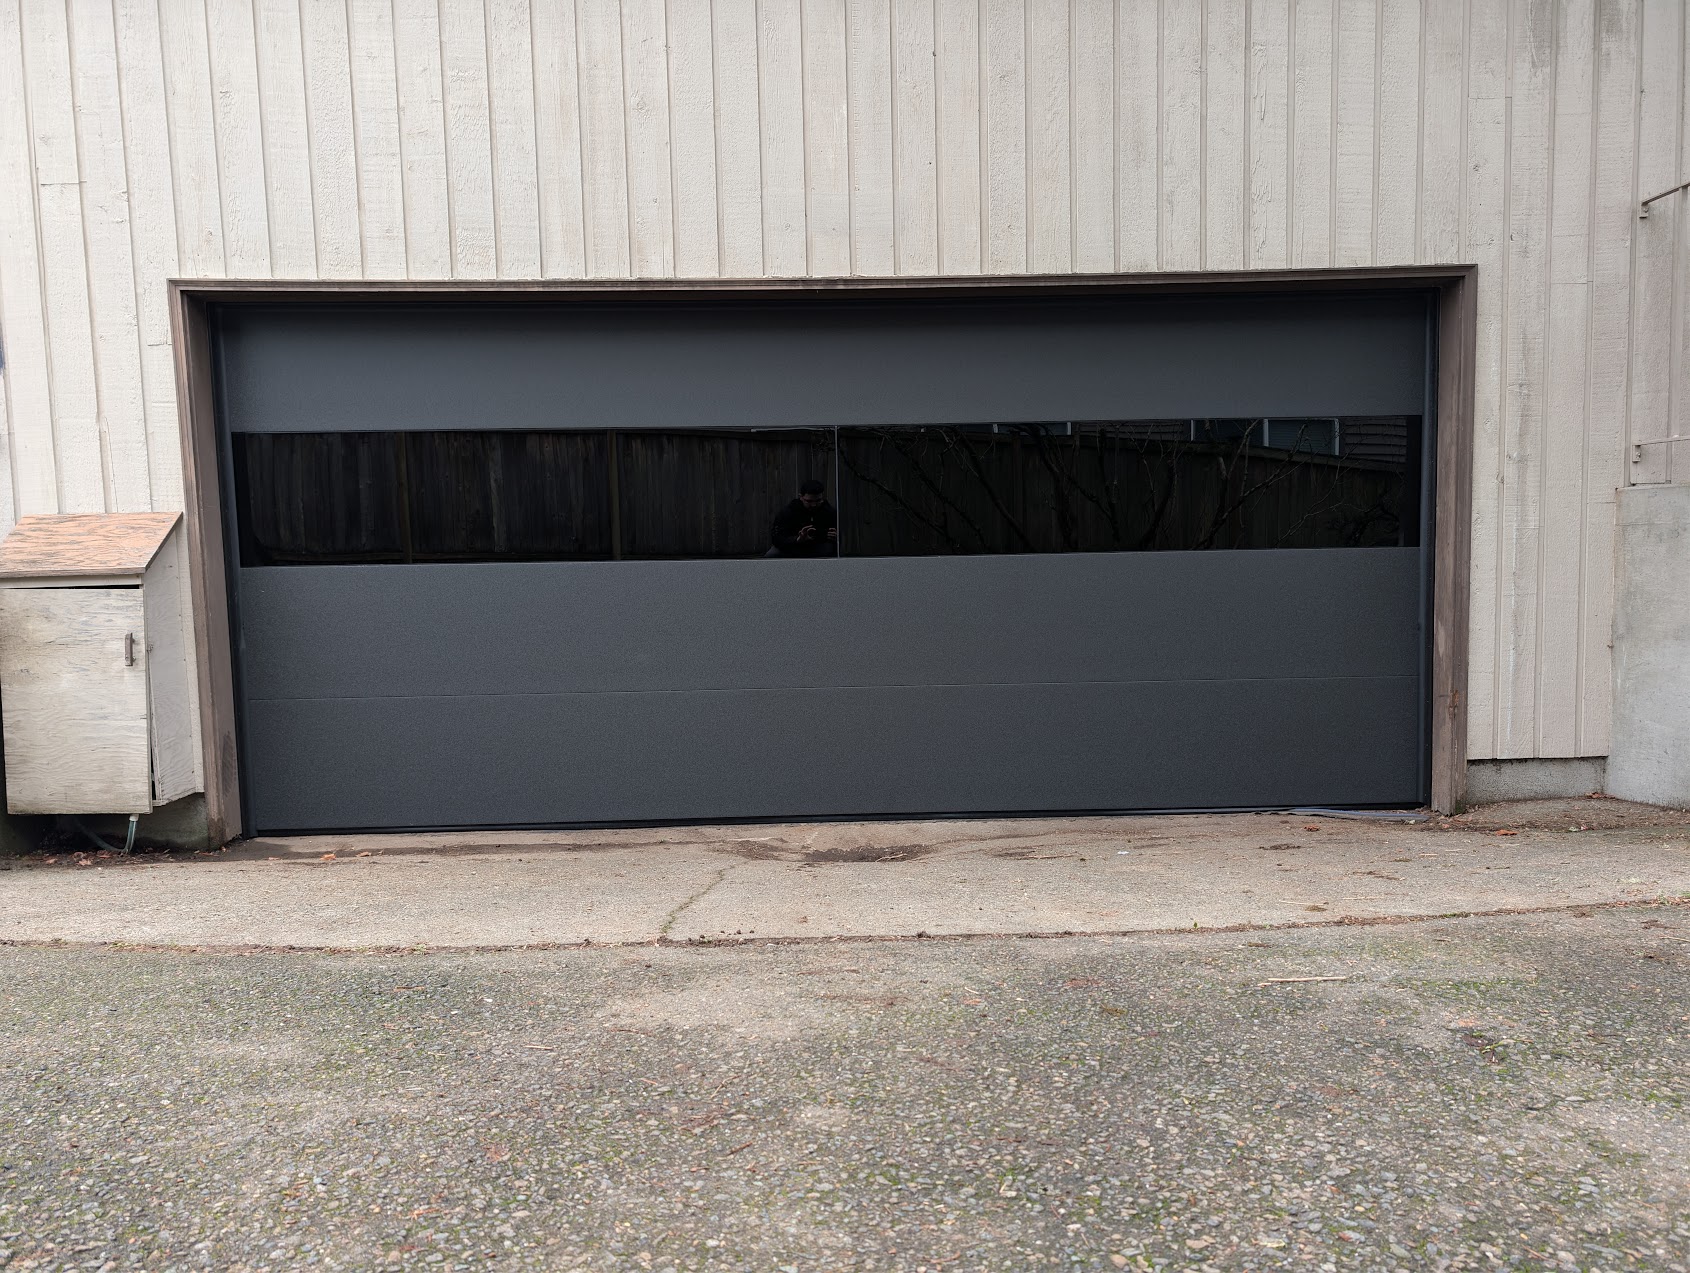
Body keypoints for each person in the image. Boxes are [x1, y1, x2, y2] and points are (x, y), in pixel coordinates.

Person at [768, 479, 838, 557]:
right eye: (809, 501)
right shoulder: (788, 512)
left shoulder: (829, 512)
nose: (814, 505)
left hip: (819, 547)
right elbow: (777, 538)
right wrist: (797, 539)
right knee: (771, 555)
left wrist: (835, 538)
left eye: (818, 500)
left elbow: (837, 539)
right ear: (801, 497)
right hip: (792, 548)